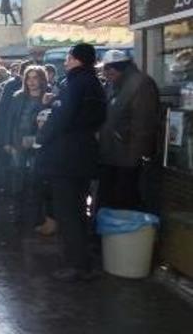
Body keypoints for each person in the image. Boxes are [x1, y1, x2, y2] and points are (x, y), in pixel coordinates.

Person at [37, 44, 107, 282]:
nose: (65, 62)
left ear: (77, 60)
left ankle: (76, 265)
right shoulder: (94, 84)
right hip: (84, 155)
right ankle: (82, 261)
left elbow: (61, 117)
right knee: (77, 210)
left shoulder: (75, 83)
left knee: (68, 213)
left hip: (66, 158)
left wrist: (41, 136)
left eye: (68, 58)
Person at [98, 50, 160, 210]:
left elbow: (144, 123)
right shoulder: (114, 84)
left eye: (107, 70)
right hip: (113, 154)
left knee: (125, 201)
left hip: (128, 158)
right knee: (111, 201)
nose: (105, 75)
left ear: (115, 69)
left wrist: (137, 155)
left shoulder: (141, 84)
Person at [3, 66, 51, 233]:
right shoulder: (18, 96)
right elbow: (9, 120)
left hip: (39, 145)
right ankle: (17, 215)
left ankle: (36, 217)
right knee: (18, 178)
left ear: (42, 79)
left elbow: (47, 122)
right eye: (28, 78)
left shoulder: (48, 97)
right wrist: (7, 142)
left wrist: (44, 103)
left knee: (35, 180)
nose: (31, 81)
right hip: (18, 143)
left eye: (35, 77)